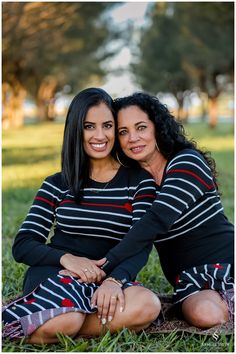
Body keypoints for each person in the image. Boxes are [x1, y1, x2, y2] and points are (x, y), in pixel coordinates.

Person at [2, 88, 161, 344]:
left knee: (147, 305)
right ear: (77, 129)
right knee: (68, 319)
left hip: (105, 279)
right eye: (89, 126)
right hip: (57, 273)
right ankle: (66, 321)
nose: (100, 135)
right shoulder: (56, 183)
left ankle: (48, 325)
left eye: (107, 125)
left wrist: (113, 280)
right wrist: (68, 260)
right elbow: (23, 245)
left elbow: (140, 245)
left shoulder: (138, 181)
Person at [101, 92, 234, 329]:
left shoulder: (186, 162)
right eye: (123, 132)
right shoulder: (136, 182)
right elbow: (128, 235)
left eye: (141, 127)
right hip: (192, 281)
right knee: (205, 315)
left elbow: (157, 218)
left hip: (229, 261)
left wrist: (106, 262)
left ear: (157, 128)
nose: (133, 138)